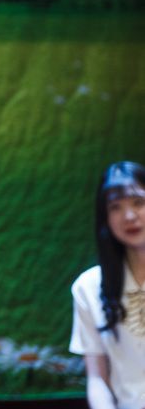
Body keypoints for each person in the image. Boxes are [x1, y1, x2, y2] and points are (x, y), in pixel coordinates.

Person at [71, 160, 145, 409]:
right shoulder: (89, 287)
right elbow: (97, 379)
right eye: (116, 207)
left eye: (138, 202)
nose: (129, 216)